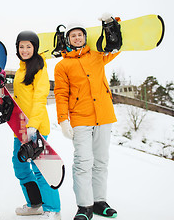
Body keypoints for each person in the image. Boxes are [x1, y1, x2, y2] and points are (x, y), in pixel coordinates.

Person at [54, 14, 120, 220]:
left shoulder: (97, 55)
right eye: (72, 35)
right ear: (68, 39)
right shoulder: (62, 66)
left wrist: (112, 25)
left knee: (101, 161)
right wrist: (63, 119)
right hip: (80, 118)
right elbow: (61, 94)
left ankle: (100, 202)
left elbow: (116, 47)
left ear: (85, 37)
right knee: (83, 162)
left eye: (80, 35)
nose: (77, 38)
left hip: (104, 114)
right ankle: (84, 206)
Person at [12, 31, 61, 220]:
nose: (24, 50)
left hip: (36, 126)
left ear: (35, 48)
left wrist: (33, 126)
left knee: (41, 169)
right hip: (20, 127)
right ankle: (35, 204)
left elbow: (40, 99)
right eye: (21, 46)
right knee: (20, 165)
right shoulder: (20, 69)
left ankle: (53, 209)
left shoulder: (39, 68)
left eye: (28, 46)